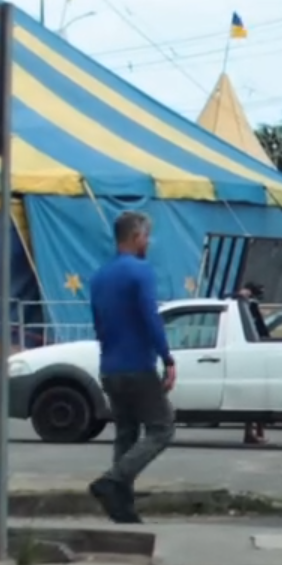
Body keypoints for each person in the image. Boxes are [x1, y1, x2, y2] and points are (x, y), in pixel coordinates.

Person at [87, 211, 176, 524]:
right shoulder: (141, 271)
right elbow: (151, 317)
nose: (148, 242)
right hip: (138, 365)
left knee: (125, 433)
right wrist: (167, 358)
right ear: (136, 237)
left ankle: (121, 507)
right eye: (146, 236)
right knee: (162, 428)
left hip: (110, 366)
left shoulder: (99, 276)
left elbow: (98, 324)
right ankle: (112, 480)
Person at [234, 284, 272, 445]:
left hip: (249, 353)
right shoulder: (246, 306)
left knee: (255, 395)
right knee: (255, 395)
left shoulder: (242, 306)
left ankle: (255, 432)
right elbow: (263, 332)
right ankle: (253, 432)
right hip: (253, 354)